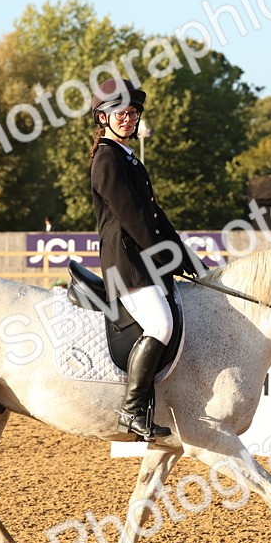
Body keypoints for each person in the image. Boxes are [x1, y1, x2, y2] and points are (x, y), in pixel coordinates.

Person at [90, 77, 203, 440]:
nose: (127, 117)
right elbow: (132, 218)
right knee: (161, 325)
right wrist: (165, 253)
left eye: (133, 111)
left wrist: (183, 252)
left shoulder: (129, 158)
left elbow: (154, 214)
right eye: (119, 112)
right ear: (103, 118)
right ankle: (132, 410)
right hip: (126, 265)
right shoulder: (107, 159)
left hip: (142, 261)